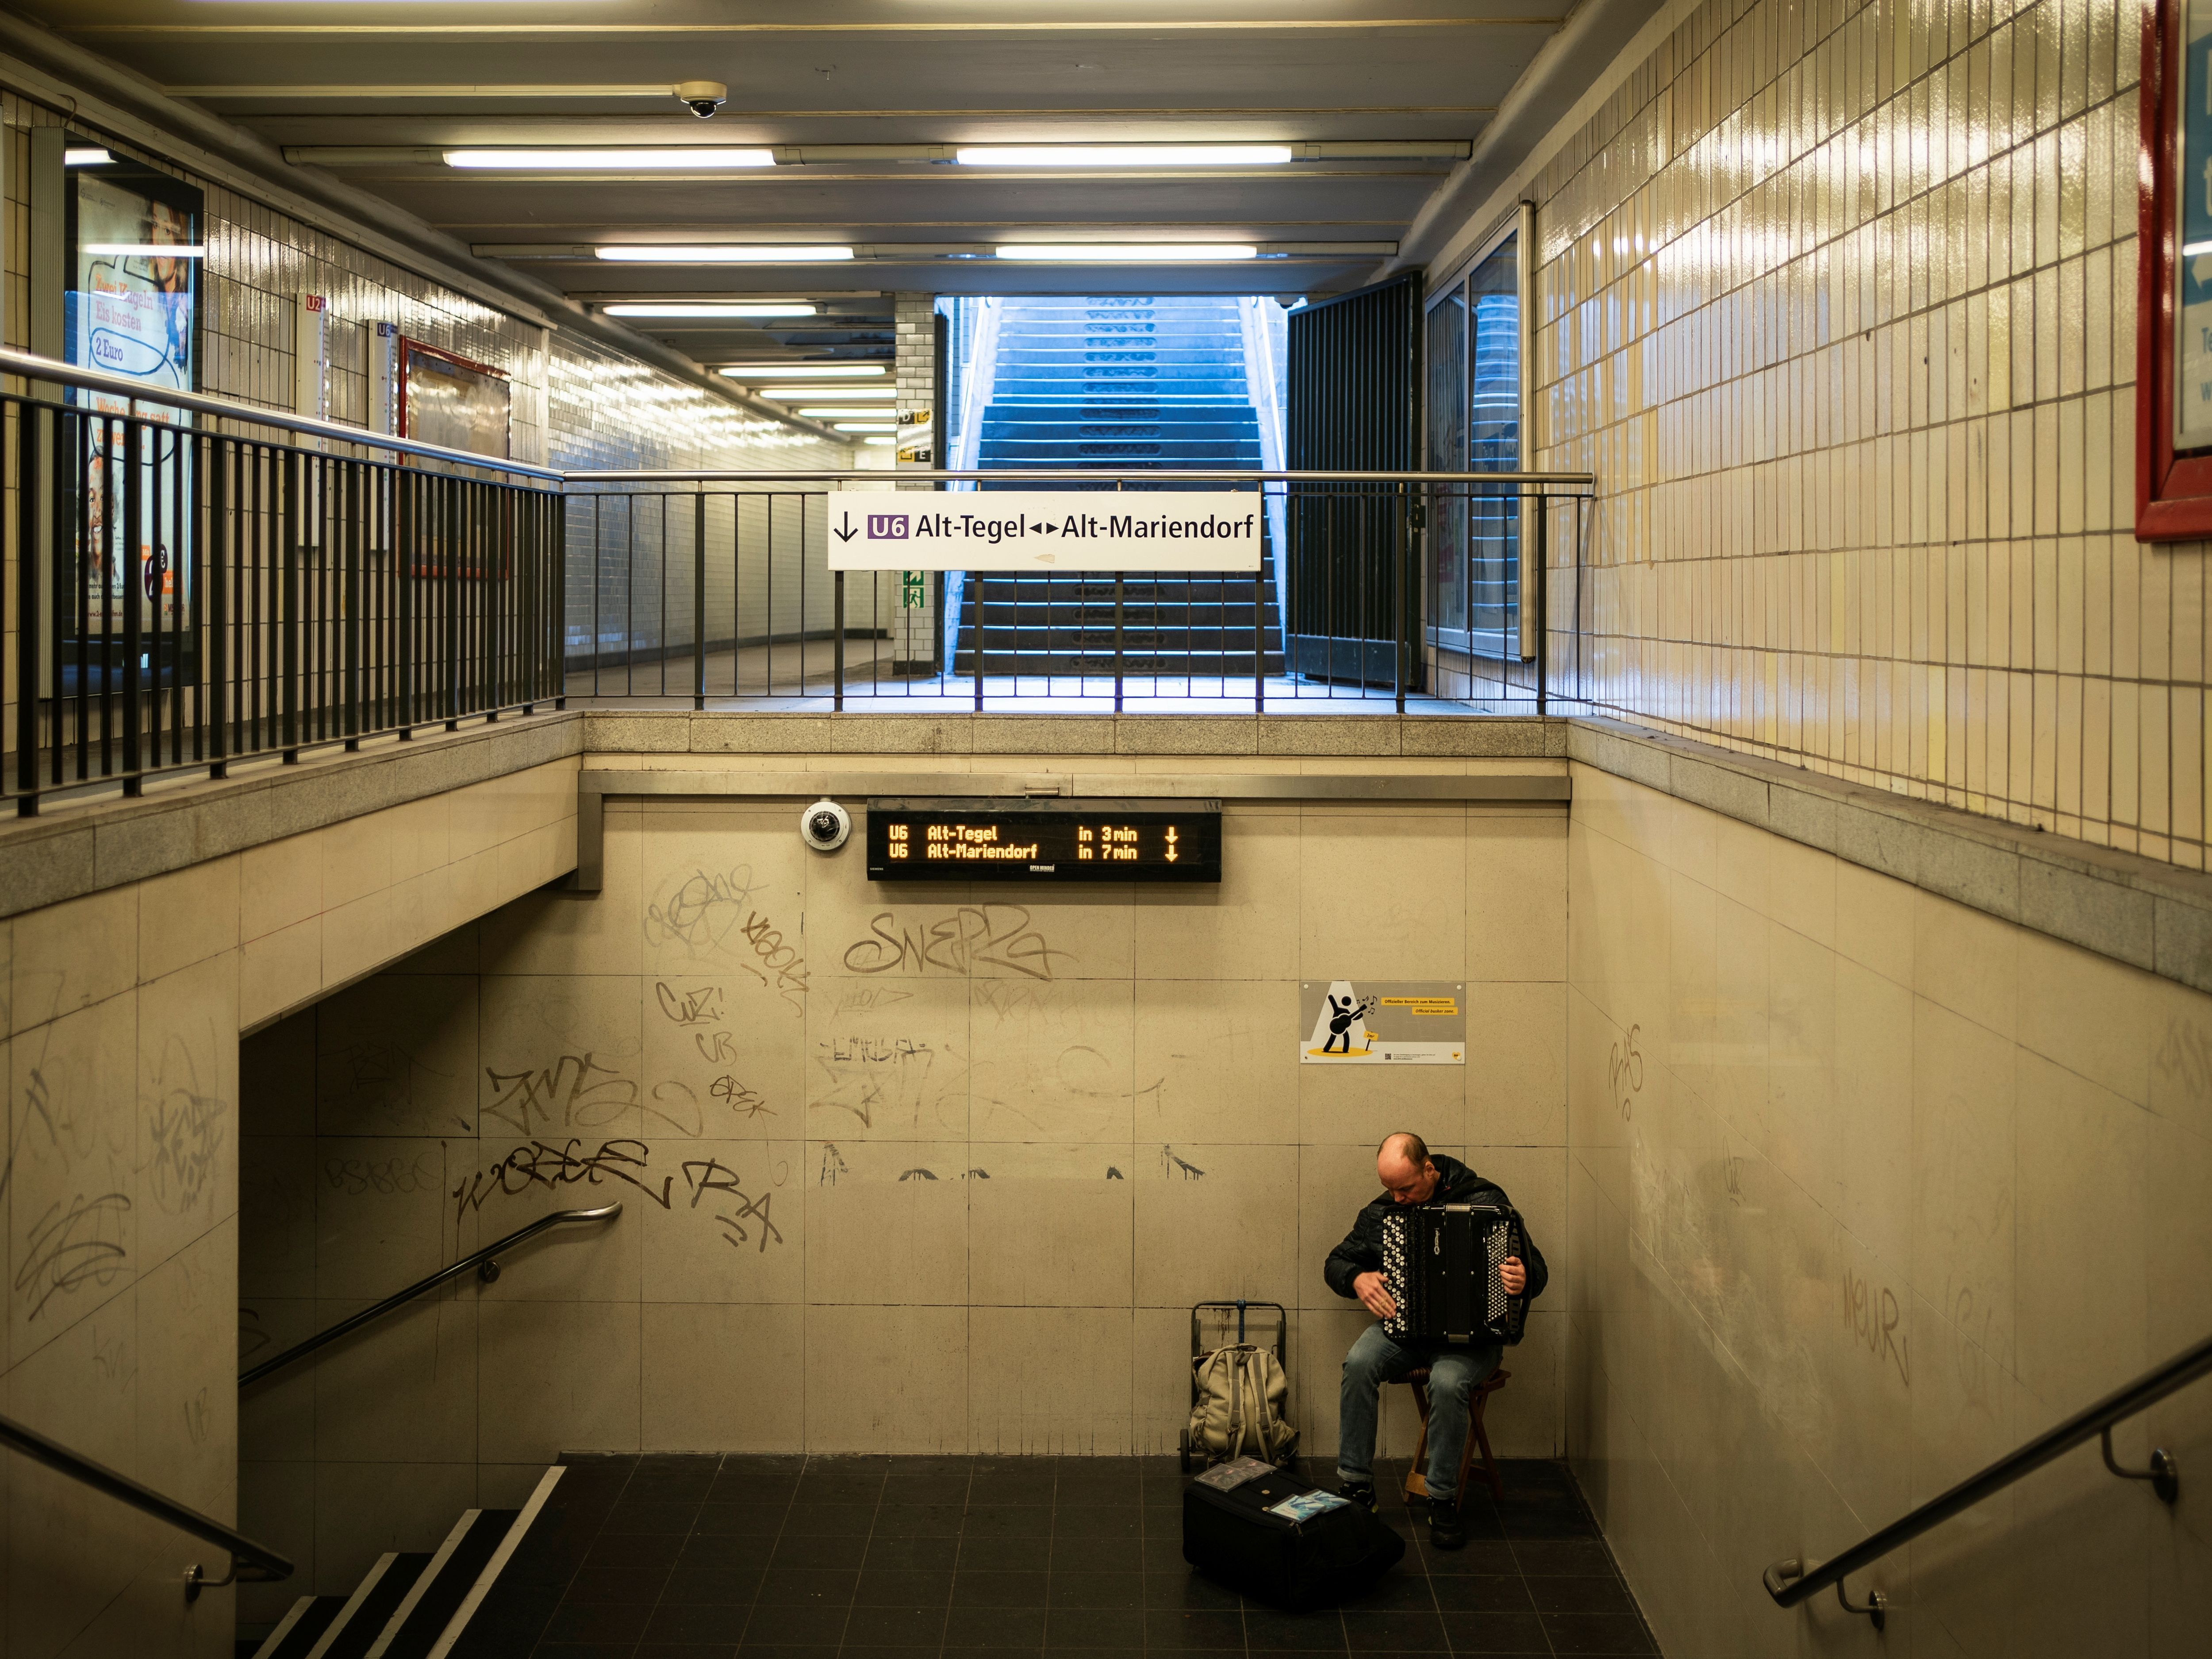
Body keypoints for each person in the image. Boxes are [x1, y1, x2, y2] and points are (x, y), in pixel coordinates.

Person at [1325, 1131, 1547, 1549]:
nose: (1398, 1198)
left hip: (1473, 1341)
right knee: (1359, 1363)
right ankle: (1356, 1486)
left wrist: (1523, 1278)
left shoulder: (1486, 1199)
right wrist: (1356, 1278)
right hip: (1405, 1330)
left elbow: (1536, 1267)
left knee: (1446, 1383)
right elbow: (1336, 1262)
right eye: (1389, 1188)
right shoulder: (1382, 1212)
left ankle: (1442, 1499)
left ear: (1429, 1169)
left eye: (1405, 1188)